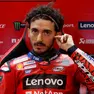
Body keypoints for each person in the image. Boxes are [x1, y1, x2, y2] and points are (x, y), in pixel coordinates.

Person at [0, 3, 94, 94]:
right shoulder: (12, 67)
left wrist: (72, 49)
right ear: (28, 32)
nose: (39, 39)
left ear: (57, 34)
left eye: (46, 32)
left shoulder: (73, 64)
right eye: (35, 31)